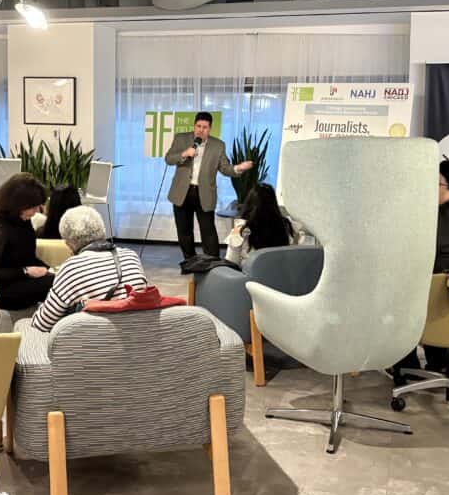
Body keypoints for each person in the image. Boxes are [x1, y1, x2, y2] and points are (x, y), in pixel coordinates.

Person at [394, 160, 449, 378]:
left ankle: (407, 367)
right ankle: (440, 363)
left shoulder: (432, 220)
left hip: (436, 300)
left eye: (434, 183)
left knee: (398, 296)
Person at [31, 206, 148, 332]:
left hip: (93, 339)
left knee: (25, 326)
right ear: (102, 230)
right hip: (136, 335)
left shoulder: (72, 268)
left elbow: (42, 324)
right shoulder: (131, 256)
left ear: (68, 244)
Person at [164, 112, 253, 260]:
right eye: (198, 126)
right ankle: (190, 261)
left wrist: (238, 168)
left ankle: (212, 263)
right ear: (194, 126)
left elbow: (225, 168)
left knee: (208, 231)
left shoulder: (218, 145)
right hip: (182, 192)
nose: (201, 130)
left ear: (210, 128)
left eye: (204, 127)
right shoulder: (181, 138)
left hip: (204, 193)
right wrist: (184, 153)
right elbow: (168, 159)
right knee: (184, 230)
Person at [0, 172, 53, 313]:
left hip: (18, 280)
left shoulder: (21, 220)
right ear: (19, 204)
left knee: (60, 280)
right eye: (33, 207)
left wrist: (50, 269)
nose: (36, 212)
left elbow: (27, 256)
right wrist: (25, 271)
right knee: (54, 284)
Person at [225, 182, 296, 266]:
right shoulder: (286, 226)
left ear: (249, 204)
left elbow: (231, 262)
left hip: (250, 273)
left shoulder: (240, 230)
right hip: (279, 272)